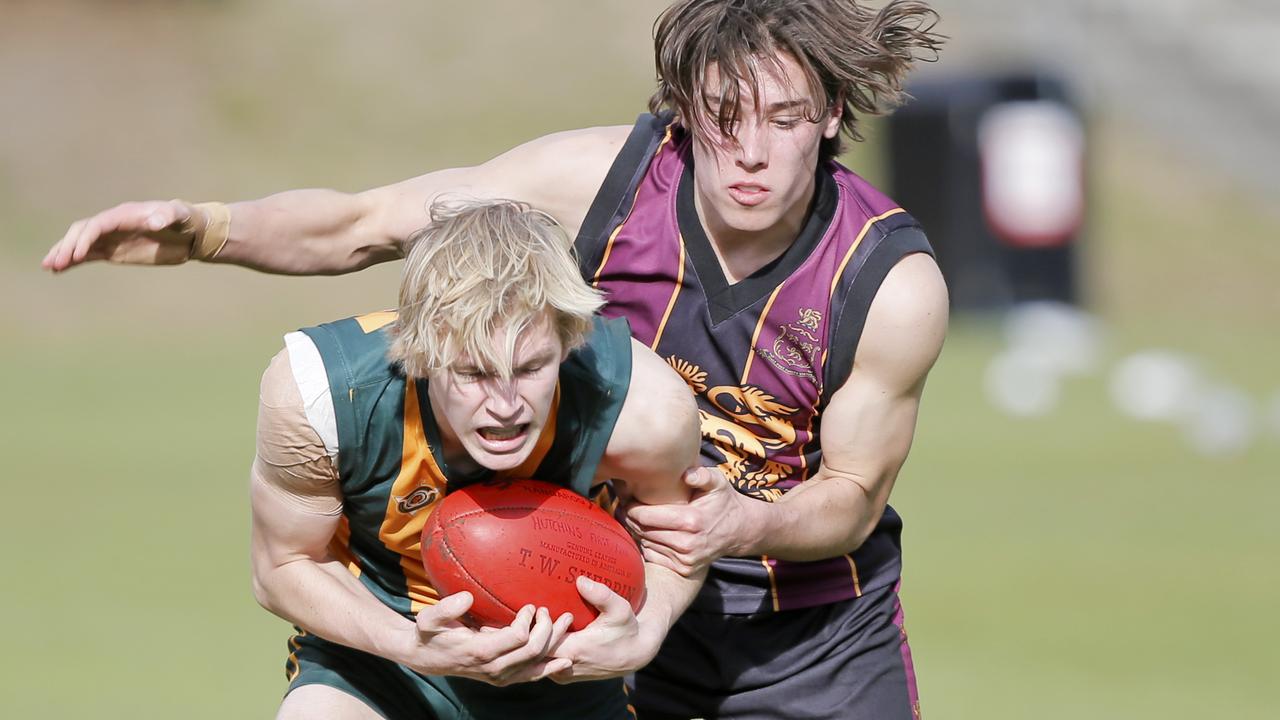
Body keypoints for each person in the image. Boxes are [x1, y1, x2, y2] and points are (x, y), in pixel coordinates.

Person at [45, 1, 948, 717]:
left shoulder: (887, 282)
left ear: (832, 113)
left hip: (813, 637)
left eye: (784, 118)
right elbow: (367, 222)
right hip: (599, 587)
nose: (750, 152)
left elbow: (855, 498)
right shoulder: (604, 183)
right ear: (683, 108)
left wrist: (740, 527)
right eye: (723, 117)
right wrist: (208, 228)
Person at [249, 199, 703, 719]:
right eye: (473, 373)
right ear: (421, 351)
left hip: (565, 664)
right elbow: (281, 565)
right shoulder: (322, 397)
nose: (507, 406)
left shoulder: (643, 409)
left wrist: (647, 630)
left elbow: (678, 545)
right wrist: (407, 644)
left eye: (531, 366)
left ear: (567, 340)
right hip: (381, 653)